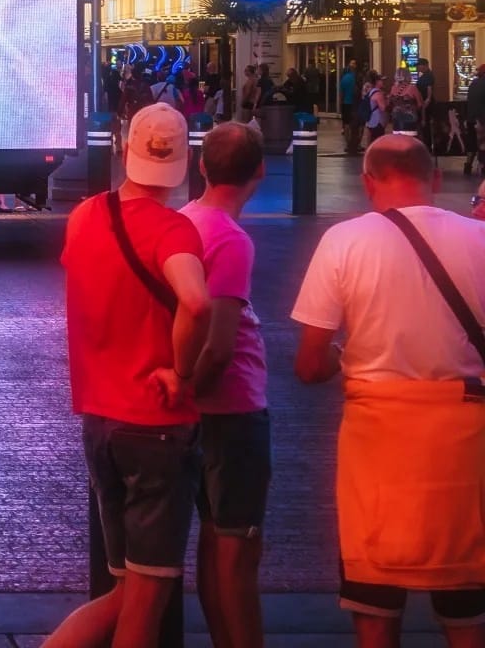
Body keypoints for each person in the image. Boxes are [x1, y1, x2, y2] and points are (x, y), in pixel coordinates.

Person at [292, 136, 485, 646]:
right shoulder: (480, 239)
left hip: (377, 440)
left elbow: (310, 365)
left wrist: (349, 354)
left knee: (373, 593)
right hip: (464, 438)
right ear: (437, 180)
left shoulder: (344, 241)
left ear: (367, 182)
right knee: (465, 597)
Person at [44, 104, 211, 648]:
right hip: (156, 426)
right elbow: (197, 301)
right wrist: (182, 373)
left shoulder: (87, 215)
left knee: (121, 594)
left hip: (100, 421)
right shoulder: (175, 230)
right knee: (143, 606)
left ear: (123, 149)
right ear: (186, 159)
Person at [180, 124, 270, 648]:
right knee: (238, 551)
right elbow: (219, 343)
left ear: (202, 166)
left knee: (212, 549)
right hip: (233, 411)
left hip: (195, 416)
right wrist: (196, 388)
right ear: (260, 171)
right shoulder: (230, 239)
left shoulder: (182, 223)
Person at [464, 64, 485, 177]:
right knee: (482, 143)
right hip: (482, 119)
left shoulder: (473, 83)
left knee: (471, 143)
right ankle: (483, 165)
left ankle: (468, 165)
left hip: (471, 119)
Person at [388, 68, 422, 133]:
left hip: (396, 119)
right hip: (409, 119)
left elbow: (389, 103)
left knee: (398, 140)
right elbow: (419, 104)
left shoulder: (393, 88)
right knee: (410, 140)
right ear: (408, 76)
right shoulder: (412, 88)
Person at [340, 61, 362, 155]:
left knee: (346, 124)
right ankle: (357, 144)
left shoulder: (344, 78)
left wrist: (341, 103)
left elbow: (341, 93)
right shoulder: (358, 78)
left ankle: (348, 144)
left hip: (346, 103)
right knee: (358, 125)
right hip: (356, 103)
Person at [416, 57, 436, 144]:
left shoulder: (429, 75)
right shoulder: (424, 76)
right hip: (421, 102)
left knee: (425, 125)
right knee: (423, 126)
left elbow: (429, 89)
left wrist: (427, 100)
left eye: (419, 66)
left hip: (426, 104)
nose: (418, 68)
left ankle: (427, 145)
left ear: (425, 66)